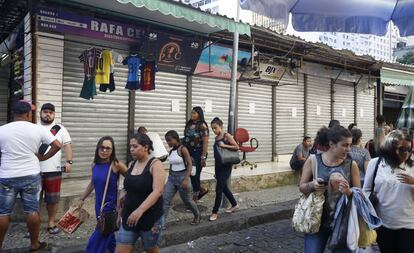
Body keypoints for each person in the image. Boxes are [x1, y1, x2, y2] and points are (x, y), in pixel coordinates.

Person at [0, 100, 61, 251]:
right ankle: (34, 244)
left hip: (7, 175)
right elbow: (58, 145)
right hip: (30, 175)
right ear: (29, 114)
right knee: (32, 210)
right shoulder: (37, 129)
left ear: (13, 113)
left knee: (3, 213)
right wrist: (43, 158)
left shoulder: (2, 130)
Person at [299, 126, 361, 253]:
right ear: (332, 144)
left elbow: (359, 195)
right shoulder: (313, 160)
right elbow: (302, 187)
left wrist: (349, 192)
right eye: (344, 145)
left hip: (342, 223)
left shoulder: (351, 165)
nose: (348, 149)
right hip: (317, 222)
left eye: (350, 145)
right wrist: (312, 185)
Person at [363, 130, 414, 253]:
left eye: (409, 149)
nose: (406, 153)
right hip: (383, 223)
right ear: (390, 148)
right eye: (402, 149)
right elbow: (366, 189)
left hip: (409, 224)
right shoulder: (375, 164)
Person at [116, 133, 165, 253]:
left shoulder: (155, 164)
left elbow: (158, 191)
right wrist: (119, 212)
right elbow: (128, 190)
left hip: (150, 218)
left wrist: (140, 210)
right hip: (129, 217)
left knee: (151, 249)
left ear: (146, 147)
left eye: (135, 146)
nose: (131, 149)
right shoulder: (132, 164)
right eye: (130, 147)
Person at [78, 136, 127, 253]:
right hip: (99, 205)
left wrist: (124, 192)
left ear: (112, 150)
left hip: (110, 208)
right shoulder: (94, 164)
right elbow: (93, 183)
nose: (104, 151)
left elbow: (132, 179)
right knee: (108, 236)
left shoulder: (116, 165)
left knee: (98, 238)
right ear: (98, 148)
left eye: (108, 148)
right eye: (102, 148)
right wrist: (82, 198)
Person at [38, 103, 73, 235]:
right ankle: (33, 224)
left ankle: (51, 222)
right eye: (45, 111)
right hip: (34, 169)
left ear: (54, 114)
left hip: (54, 169)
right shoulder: (33, 127)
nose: (48, 114)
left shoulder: (60, 129)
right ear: (40, 113)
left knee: (53, 199)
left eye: (50, 112)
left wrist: (69, 162)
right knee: (34, 200)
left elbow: (68, 146)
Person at [163, 130, 200, 225]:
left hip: (183, 177)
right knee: (165, 199)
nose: (168, 143)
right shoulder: (171, 151)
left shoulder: (183, 149)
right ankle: (161, 223)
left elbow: (190, 164)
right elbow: (172, 164)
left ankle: (197, 215)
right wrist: (170, 175)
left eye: (169, 140)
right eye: (167, 141)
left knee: (187, 201)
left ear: (175, 139)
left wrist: (186, 179)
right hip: (172, 178)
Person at [209, 117, 239, 221]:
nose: (214, 130)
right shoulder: (216, 138)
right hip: (218, 165)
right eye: (212, 129)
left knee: (218, 189)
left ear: (221, 126)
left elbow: (236, 147)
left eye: (215, 128)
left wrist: (224, 145)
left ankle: (214, 212)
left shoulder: (227, 136)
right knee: (224, 188)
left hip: (226, 166)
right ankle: (235, 204)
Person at [183, 106, 209, 202]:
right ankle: (201, 190)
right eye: (192, 113)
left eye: (194, 113)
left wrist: (203, 157)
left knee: (195, 174)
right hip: (188, 152)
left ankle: (195, 198)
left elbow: (205, 142)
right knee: (190, 173)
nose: (192, 115)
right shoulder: (189, 123)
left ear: (199, 114)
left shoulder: (202, 125)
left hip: (198, 152)